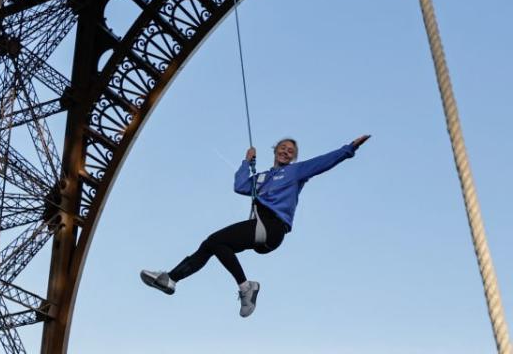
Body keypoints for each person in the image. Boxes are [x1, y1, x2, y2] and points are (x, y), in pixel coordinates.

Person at [140, 134, 371, 317]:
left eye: (291, 150)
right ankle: (172, 279)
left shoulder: (296, 172)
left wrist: (349, 148)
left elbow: (323, 162)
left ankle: (243, 286)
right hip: (260, 228)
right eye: (282, 147)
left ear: (294, 157)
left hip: (273, 228)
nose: (286, 151)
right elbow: (240, 186)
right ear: (275, 151)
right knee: (212, 244)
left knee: (215, 241)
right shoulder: (261, 178)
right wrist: (247, 162)